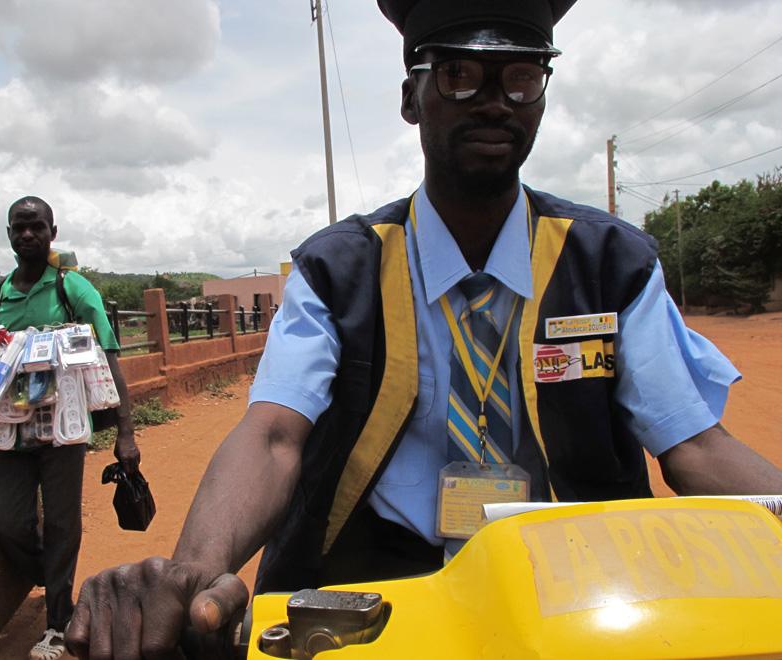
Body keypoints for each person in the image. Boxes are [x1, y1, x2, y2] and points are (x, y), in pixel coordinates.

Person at [65, 2, 782, 657]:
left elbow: (693, 444)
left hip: (579, 590)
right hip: (375, 593)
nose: (495, 101)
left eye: (522, 77)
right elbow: (273, 436)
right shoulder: (336, 270)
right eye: (461, 75)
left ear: (542, 96)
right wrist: (190, 579)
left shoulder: (611, 262)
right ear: (412, 97)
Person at [0, 196, 140, 660]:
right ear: (8, 234)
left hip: (64, 428)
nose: (27, 235)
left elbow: (110, 361)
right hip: (8, 429)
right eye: (18, 228)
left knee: (64, 518)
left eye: (36, 227)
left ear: (53, 232)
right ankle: (53, 578)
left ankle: (58, 621)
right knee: (9, 522)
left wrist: (125, 434)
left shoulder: (75, 291)